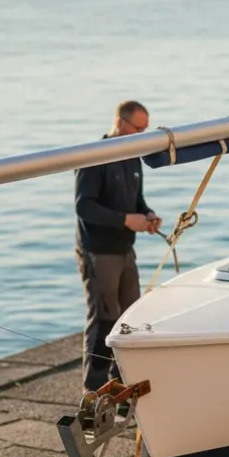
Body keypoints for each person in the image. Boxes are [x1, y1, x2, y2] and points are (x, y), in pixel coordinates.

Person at [75, 100, 161, 392]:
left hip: (126, 250)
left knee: (129, 318)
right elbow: (84, 207)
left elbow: (136, 200)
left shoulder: (132, 156)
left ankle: (119, 382)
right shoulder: (94, 157)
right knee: (103, 320)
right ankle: (93, 391)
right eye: (139, 129)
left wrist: (146, 214)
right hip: (99, 252)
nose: (142, 136)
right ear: (121, 123)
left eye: (146, 130)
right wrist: (126, 220)